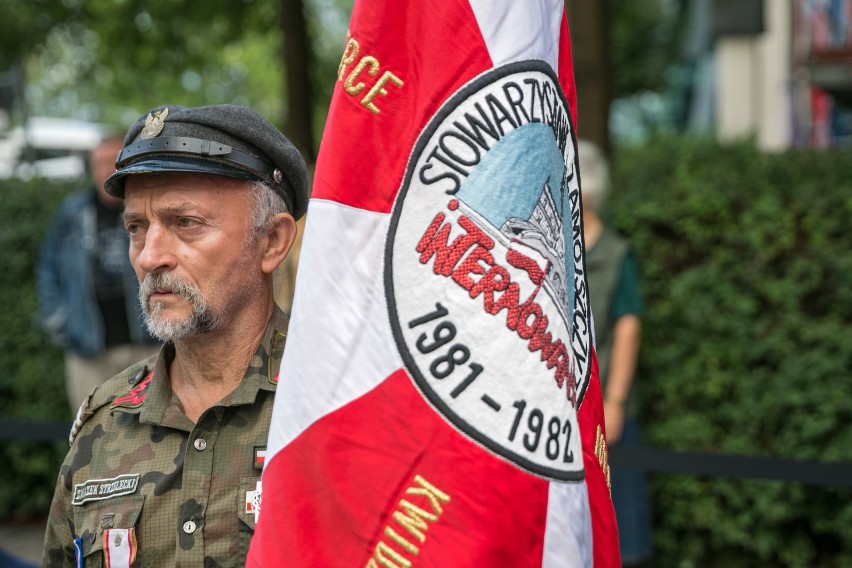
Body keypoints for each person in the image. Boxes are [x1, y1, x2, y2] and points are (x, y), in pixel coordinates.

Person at [42, 104, 308, 567]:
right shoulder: (104, 426)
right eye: (136, 228)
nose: (149, 257)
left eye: (186, 223)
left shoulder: (336, 406)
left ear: (271, 242)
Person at [36, 136, 161, 412]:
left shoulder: (148, 208)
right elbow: (48, 265)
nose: (106, 170)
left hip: (144, 343)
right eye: (100, 163)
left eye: (113, 162)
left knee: (150, 428)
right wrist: (59, 320)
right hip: (88, 347)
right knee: (90, 432)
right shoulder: (73, 212)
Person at [579, 139, 653, 566]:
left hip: (606, 402)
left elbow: (628, 327)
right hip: (568, 407)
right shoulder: (555, 247)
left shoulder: (615, 253)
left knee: (622, 522)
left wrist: (617, 400)